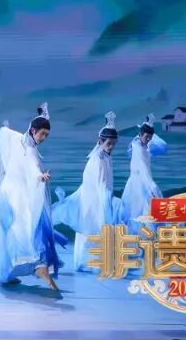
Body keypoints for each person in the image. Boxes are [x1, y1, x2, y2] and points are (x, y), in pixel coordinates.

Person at [0, 105, 64, 290]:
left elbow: (5, 134)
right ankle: (35, 267)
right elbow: (31, 167)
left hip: (15, 193)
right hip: (13, 196)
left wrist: (4, 130)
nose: (44, 138)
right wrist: (40, 176)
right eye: (42, 134)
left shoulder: (24, 142)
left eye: (47, 135)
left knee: (15, 232)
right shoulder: (26, 145)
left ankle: (12, 272)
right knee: (19, 231)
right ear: (33, 130)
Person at [53, 112, 125, 273]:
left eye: (114, 143)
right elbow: (100, 184)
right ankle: (86, 263)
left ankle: (93, 262)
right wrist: (108, 202)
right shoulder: (97, 159)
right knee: (90, 230)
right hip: (92, 200)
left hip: (99, 198)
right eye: (108, 143)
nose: (111, 146)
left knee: (94, 230)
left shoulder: (106, 157)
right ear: (100, 141)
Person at [121, 114, 168, 234]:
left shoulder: (140, 146)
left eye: (150, 138)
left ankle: (141, 238)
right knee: (141, 211)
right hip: (139, 183)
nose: (148, 140)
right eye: (147, 137)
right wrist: (151, 186)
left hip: (138, 182)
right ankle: (144, 237)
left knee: (140, 212)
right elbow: (143, 169)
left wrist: (148, 127)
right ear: (140, 135)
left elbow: (162, 146)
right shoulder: (138, 148)